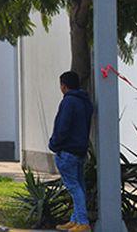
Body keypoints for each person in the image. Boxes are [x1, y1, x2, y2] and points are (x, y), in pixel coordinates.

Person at [49, 70, 93, 232]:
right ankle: (75, 219)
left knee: (74, 187)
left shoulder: (68, 102)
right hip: (80, 150)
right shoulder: (85, 101)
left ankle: (82, 222)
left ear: (64, 86)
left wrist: (54, 144)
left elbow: (62, 127)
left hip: (67, 151)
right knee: (79, 185)